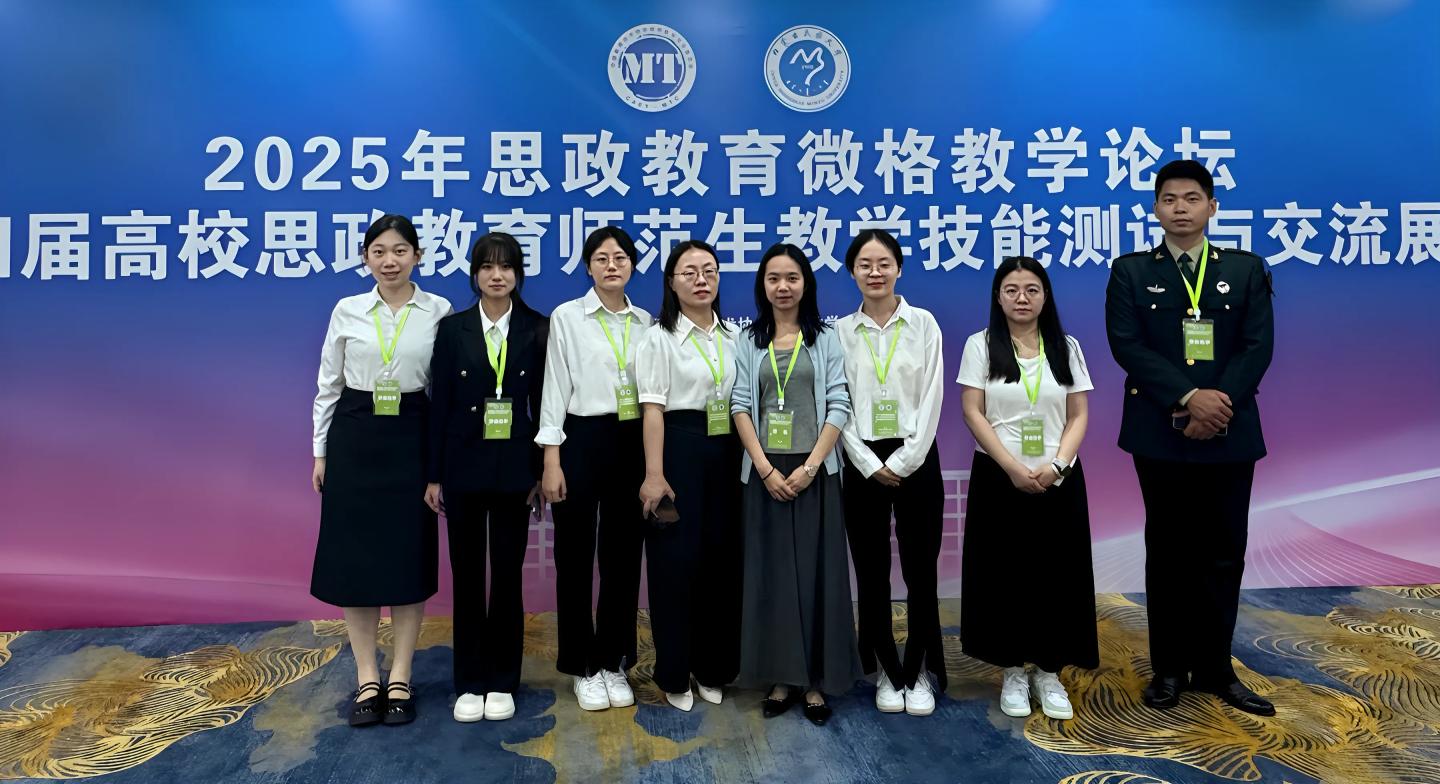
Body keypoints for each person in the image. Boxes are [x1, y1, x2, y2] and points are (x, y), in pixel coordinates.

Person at [1105, 159, 1276, 717]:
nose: (1180, 208)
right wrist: (1187, 397)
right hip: (1160, 431)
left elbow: (1257, 346)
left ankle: (1217, 669)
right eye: (1170, 199)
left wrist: (1216, 403)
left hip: (1229, 429)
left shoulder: (1246, 270)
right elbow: (1127, 345)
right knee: (1170, 551)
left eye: (1192, 198)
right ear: (1156, 209)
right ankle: (1170, 670)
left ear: (1212, 207)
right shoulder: (1131, 272)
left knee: (1224, 553)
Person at [310, 213, 453, 727]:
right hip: (355, 436)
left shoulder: (438, 310)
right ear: (365, 258)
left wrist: (439, 466)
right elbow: (328, 385)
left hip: (412, 435)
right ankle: (367, 675)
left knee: (407, 560)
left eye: (399, 251)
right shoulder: (348, 309)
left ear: (417, 255)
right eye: (378, 252)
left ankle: (402, 676)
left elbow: (445, 392)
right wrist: (320, 453)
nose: (389, 261)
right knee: (356, 563)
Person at [957, 256, 1098, 721]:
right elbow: (973, 411)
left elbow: (1078, 414)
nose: (1022, 298)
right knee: (1004, 576)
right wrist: (1011, 467)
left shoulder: (1066, 346)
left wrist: (1057, 465)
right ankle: (1014, 671)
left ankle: (1050, 671)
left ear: (1045, 296)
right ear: (998, 297)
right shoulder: (981, 345)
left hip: (1059, 480)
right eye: (1012, 290)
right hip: (999, 477)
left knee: (1057, 576)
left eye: (1032, 289)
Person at [731, 243, 862, 727]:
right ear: (762, 286)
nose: (783, 287)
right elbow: (740, 404)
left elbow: (839, 404)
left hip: (815, 473)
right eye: (773, 279)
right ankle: (780, 678)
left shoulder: (824, 338)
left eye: (792, 278)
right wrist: (765, 468)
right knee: (772, 579)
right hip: (764, 473)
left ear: (806, 284)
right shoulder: (749, 340)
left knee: (815, 575)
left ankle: (814, 682)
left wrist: (809, 467)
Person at [425, 232, 548, 723]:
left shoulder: (537, 328)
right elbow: (439, 405)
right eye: (487, 266)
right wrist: (435, 475)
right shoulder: (452, 329)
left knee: (508, 575)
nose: (497, 275)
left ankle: (502, 679)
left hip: (516, 469)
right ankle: (469, 681)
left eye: (507, 267)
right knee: (468, 575)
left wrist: (539, 472)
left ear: (518, 274)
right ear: (474, 273)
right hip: (463, 468)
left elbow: (545, 408)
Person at [536, 226, 651, 712]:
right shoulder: (568, 317)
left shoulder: (645, 322)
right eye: (601, 258)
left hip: (631, 441)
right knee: (575, 556)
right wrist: (551, 457)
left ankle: (613, 661)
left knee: (623, 558)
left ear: (632, 266)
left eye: (620, 257)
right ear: (588, 267)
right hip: (580, 438)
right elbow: (554, 388)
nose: (611, 265)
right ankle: (582, 664)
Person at [836, 229, 947, 717]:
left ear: (899, 268)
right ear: (852, 272)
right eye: (865, 264)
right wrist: (866, 462)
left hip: (916, 456)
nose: (875, 272)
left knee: (921, 571)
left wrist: (905, 459)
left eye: (884, 263)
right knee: (871, 570)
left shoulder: (923, 323)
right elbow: (836, 402)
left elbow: (933, 394)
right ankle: (884, 665)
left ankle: (918, 668)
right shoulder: (840, 332)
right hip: (860, 460)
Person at [635, 240, 743, 712]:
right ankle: (674, 672)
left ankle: (713, 667)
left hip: (727, 450)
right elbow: (652, 409)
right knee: (674, 566)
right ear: (671, 282)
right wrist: (654, 474)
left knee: (722, 563)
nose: (701, 279)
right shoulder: (658, 337)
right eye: (690, 272)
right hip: (677, 449)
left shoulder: (734, 336)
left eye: (710, 270)